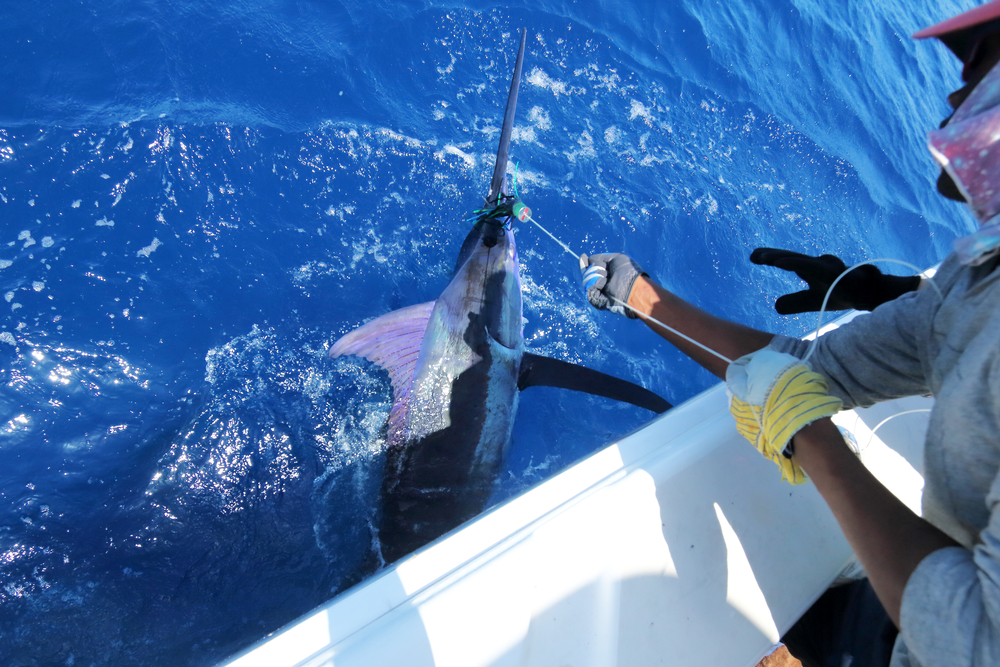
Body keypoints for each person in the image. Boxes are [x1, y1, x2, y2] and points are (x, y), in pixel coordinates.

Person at [580, 3, 1000, 666]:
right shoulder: (978, 277)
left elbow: (974, 643)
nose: (953, 96)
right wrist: (644, 298)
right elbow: (810, 371)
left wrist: (815, 439)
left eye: (979, 70)